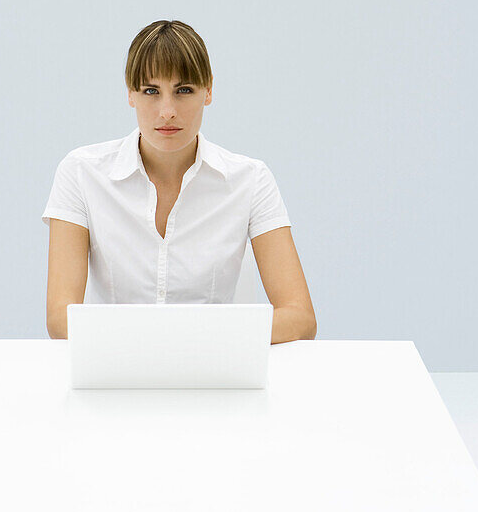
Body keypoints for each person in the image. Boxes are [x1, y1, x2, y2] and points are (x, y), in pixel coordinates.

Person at [42, 19, 317, 344]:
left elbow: (299, 318)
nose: (167, 111)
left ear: (209, 90)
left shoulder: (250, 179)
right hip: (118, 374)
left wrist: (184, 340)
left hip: (214, 375)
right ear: (130, 94)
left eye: (184, 90)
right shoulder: (81, 172)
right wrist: (173, 339)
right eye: (151, 91)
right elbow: (60, 319)